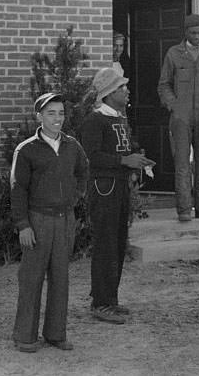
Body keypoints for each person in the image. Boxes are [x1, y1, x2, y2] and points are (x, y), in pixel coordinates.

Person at [10, 92, 89, 353]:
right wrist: (23, 225)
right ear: (39, 117)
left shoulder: (72, 146)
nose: (57, 119)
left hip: (64, 219)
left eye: (61, 113)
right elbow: (18, 189)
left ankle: (56, 334)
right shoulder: (27, 149)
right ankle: (25, 336)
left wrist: (74, 198)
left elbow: (83, 172)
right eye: (51, 113)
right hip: (37, 219)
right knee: (31, 278)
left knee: (60, 277)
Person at [80, 67, 155, 324]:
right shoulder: (94, 121)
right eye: (122, 88)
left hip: (120, 187)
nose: (127, 91)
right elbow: (93, 156)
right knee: (105, 244)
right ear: (109, 93)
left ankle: (110, 299)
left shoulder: (120, 119)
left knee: (118, 242)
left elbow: (126, 148)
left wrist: (139, 159)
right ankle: (100, 302)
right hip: (104, 189)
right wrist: (125, 160)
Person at [157, 13, 199, 222]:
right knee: (182, 162)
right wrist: (174, 105)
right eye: (194, 33)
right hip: (181, 116)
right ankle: (184, 209)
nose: (197, 36)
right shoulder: (174, 54)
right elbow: (164, 84)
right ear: (186, 32)